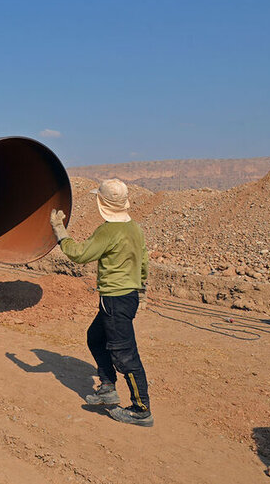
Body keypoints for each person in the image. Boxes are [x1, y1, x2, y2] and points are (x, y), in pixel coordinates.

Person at [49, 178, 153, 427]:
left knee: (125, 355)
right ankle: (107, 386)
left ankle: (141, 410)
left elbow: (80, 254)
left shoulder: (108, 230)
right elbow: (144, 262)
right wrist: (140, 287)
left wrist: (59, 230)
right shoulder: (134, 229)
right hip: (126, 297)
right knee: (96, 338)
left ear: (102, 203)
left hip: (114, 300)